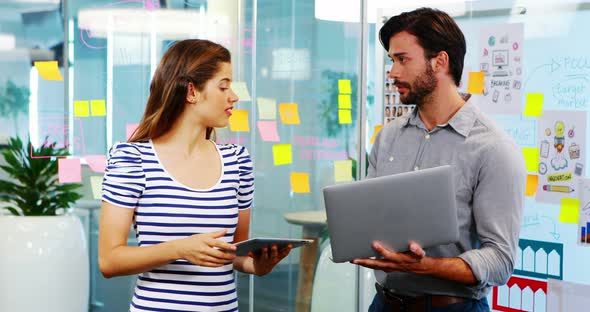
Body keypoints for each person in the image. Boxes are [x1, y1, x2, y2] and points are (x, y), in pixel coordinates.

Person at [352, 8, 525, 312]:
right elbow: (371, 221)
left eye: (402, 59)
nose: (392, 72)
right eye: (391, 61)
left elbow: (500, 261)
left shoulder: (494, 148)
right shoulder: (388, 137)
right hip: (384, 303)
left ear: (440, 61)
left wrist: (427, 266)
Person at [98, 39, 291, 312]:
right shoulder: (131, 160)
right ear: (191, 91)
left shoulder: (237, 161)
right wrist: (180, 249)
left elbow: (234, 252)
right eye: (223, 86)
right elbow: (109, 260)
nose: (233, 96)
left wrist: (255, 265)